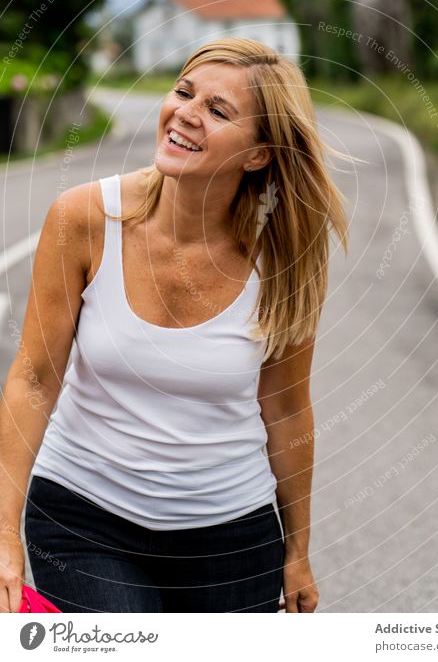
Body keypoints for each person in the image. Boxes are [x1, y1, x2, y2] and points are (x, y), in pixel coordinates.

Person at [0, 37, 353, 613]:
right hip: (81, 515)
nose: (186, 113)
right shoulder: (85, 218)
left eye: (217, 110)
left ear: (258, 154)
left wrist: (299, 550)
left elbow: (286, 409)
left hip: (233, 535)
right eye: (184, 92)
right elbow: (34, 378)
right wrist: (4, 532)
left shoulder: (281, 255)